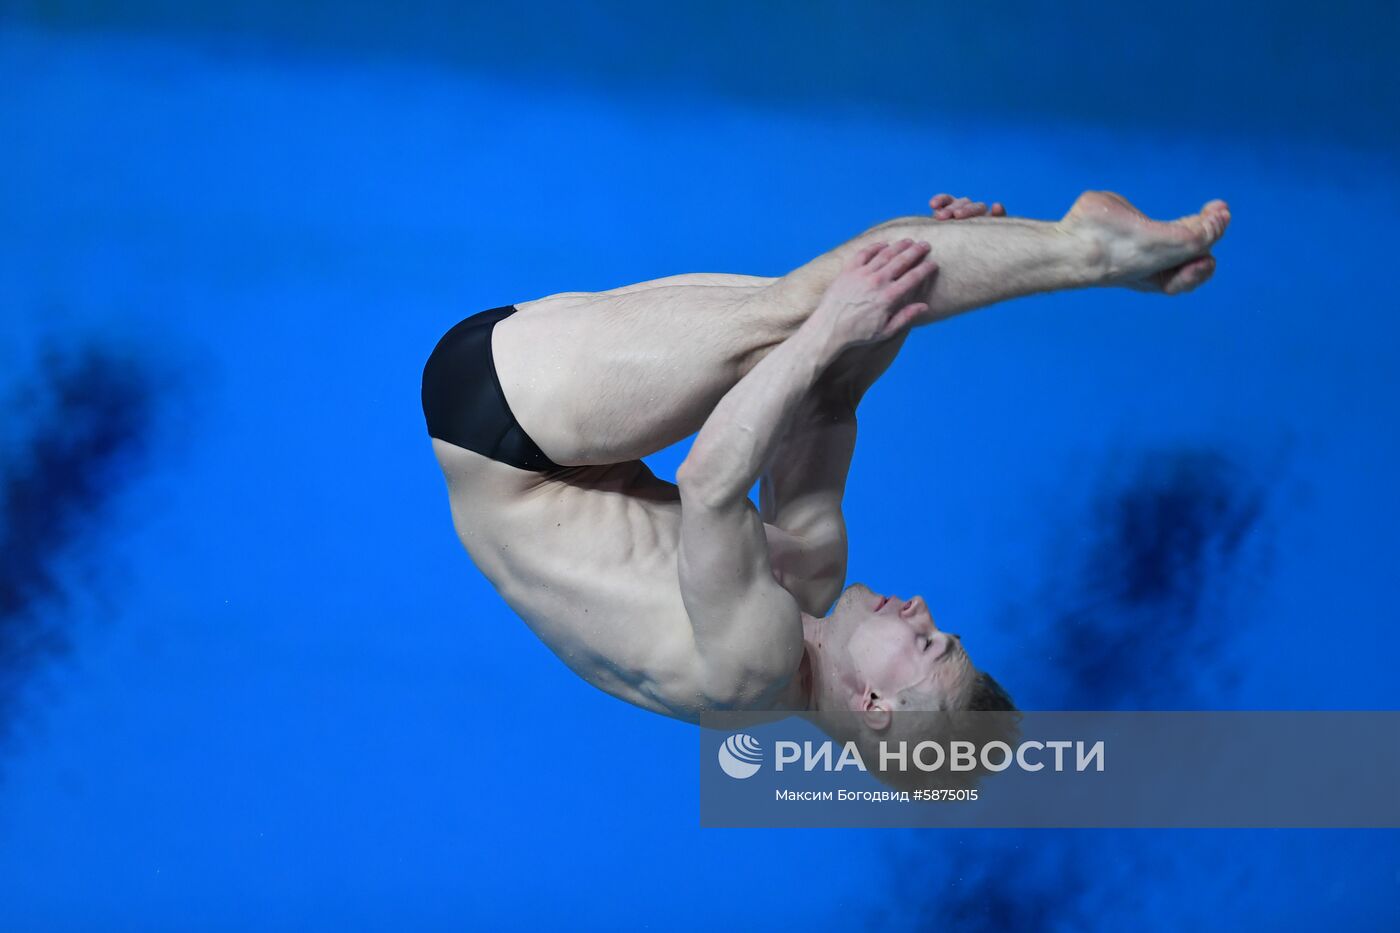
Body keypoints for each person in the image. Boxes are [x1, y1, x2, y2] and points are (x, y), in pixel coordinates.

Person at [421, 190, 1230, 766]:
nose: (921, 609)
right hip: (549, 428)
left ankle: (1091, 249)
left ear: (875, 706)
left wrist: (838, 326)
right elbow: (830, 397)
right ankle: (1039, 247)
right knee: (825, 324)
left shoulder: (750, 667)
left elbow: (709, 481)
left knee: (797, 319)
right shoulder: (812, 578)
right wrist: (922, 295)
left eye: (924, 642)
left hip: (504, 426)